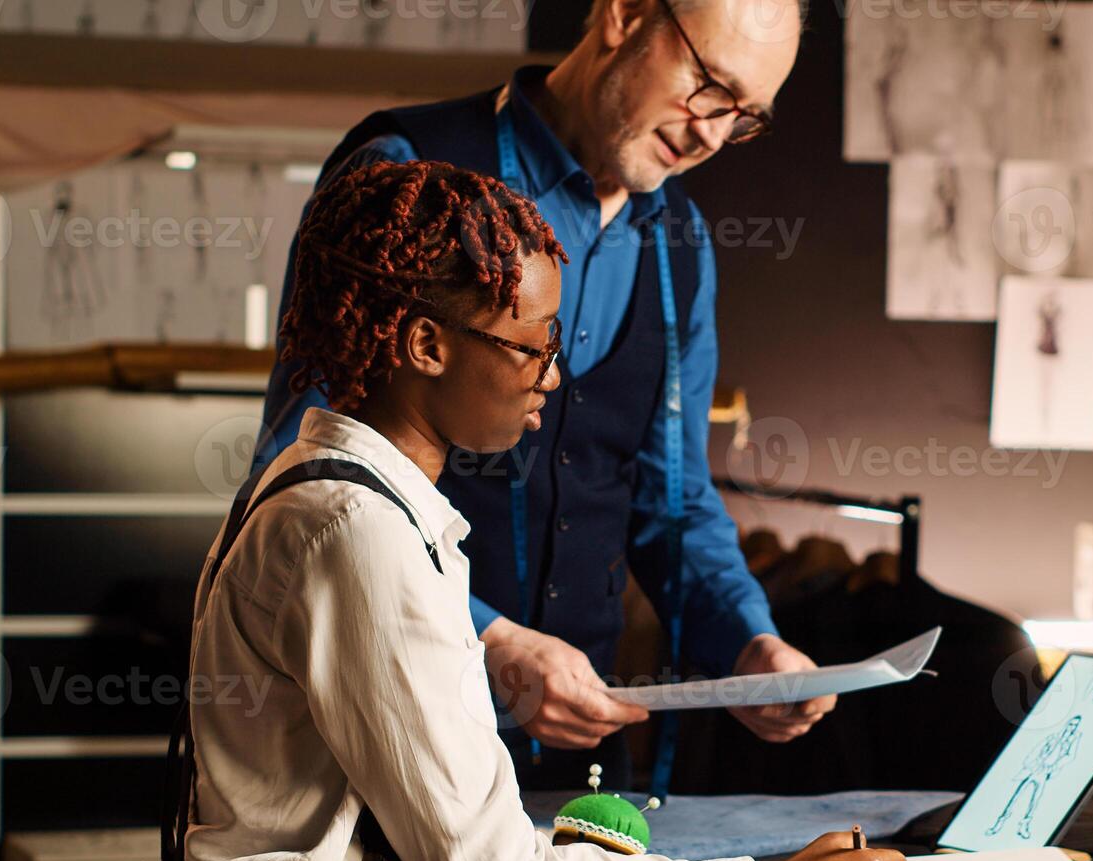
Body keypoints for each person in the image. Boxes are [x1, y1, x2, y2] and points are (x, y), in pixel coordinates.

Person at [146, 160, 906, 861]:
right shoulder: (354, 530)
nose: (552, 375)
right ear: (426, 344)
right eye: (533, 345)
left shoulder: (336, 492)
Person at [253, 0, 829, 792]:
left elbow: (674, 502)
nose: (712, 133)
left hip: (579, 766)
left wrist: (750, 642)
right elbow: (304, 468)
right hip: (389, 740)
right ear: (624, 15)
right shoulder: (407, 173)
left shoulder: (683, 247)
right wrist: (489, 643)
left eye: (744, 115)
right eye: (707, 85)